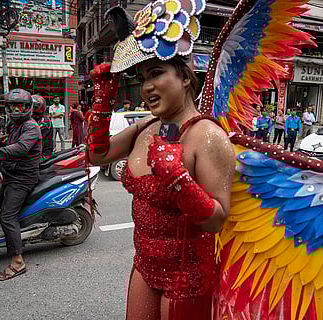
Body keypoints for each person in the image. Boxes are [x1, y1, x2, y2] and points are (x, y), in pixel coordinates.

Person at [87, 4, 236, 318]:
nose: (146, 87)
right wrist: (102, 99)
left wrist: (178, 180)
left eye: (156, 74)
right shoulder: (145, 127)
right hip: (144, 265)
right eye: (142, 78)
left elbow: (217, 219)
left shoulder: (207, 136)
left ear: (184, 77)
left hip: (187, 277)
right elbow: (97, 154)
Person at [0, 88, 42, 281]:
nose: (16, 109)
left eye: (20, 106)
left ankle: (18, 262)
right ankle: (19, 238)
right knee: (4, 207)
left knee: (6, 217)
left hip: (23, 177)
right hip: (10, 173)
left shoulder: (31, 126)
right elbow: (4, 141)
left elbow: (21, 148)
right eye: (13, 106)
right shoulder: (13, 125)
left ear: (28, 108)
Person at [32, 95, 54, 160]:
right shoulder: (32, 118)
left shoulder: (44, 121)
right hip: (34, 153)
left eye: (34, 107)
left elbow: (31, 136)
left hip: (43, 155)